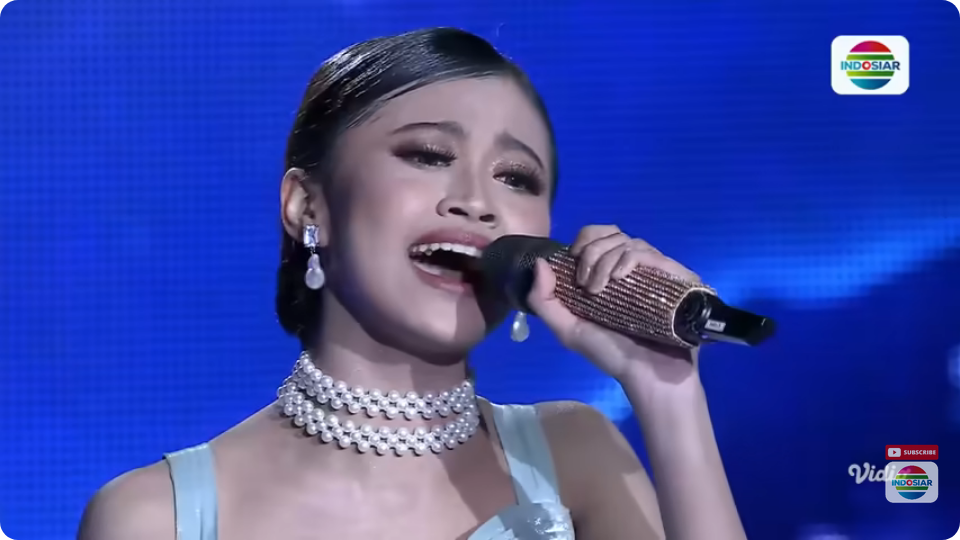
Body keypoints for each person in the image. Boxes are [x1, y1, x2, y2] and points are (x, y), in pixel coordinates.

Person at [77, 27, 747, 540]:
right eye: (428, 155)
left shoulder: (577, 454)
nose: (478, 202)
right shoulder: (154, 517)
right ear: (307, 206)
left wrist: (668, 392)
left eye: (516, 178)